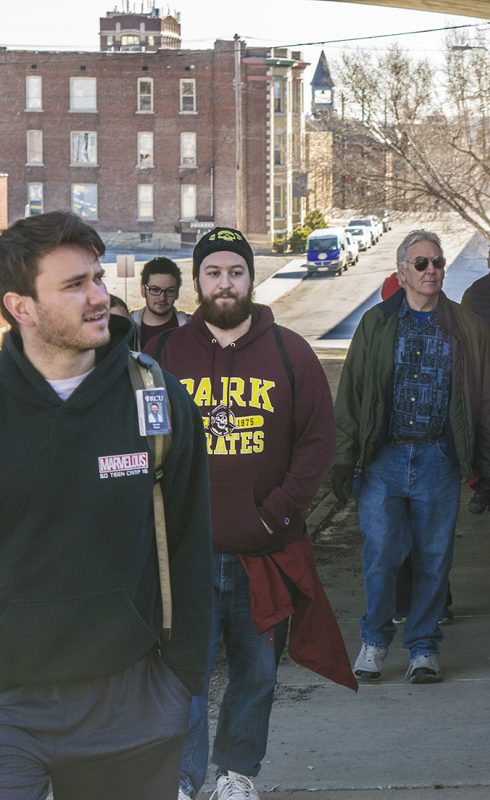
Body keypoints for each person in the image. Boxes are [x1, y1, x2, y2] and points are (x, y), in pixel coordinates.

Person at [0, 211, 212, 799]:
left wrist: (182, 681)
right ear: (21, 307)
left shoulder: (155, 397)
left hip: (130, 703)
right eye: (75, 285)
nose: (100, 297)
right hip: (7, 706)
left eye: (97, 278)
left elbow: (193, 537)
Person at [150, 226, 355, 800]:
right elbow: (138, 440)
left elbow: (317, 442)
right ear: (196, 281)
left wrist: (274, 514)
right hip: (186, 555)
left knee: (257, 673)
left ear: (251, 277)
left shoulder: (291, 352)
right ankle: (184, 780)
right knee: (183, 678)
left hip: (265, 554)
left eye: (235, 271)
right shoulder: (162, 355)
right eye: (213, 272)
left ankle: (236, 776)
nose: (224, 282)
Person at [331, 229, 490, 684]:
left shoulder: (466, 326)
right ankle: (373, 640)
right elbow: (352, 393)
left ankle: (423, 648)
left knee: (433, 557)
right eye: (422, 263)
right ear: (402, 272)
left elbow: (485, 398)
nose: (432, 271)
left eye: (438, 262)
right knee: (382, 553)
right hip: (384, 460)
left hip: (438, 459)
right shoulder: (377, 323)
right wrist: (343, 457)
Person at [129, 256, 189, 350]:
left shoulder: (190, 326)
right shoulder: (128, 326)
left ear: (177, 293)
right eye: (155, 290)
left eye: (170, 291)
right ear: (143, 290)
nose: (162, 298)